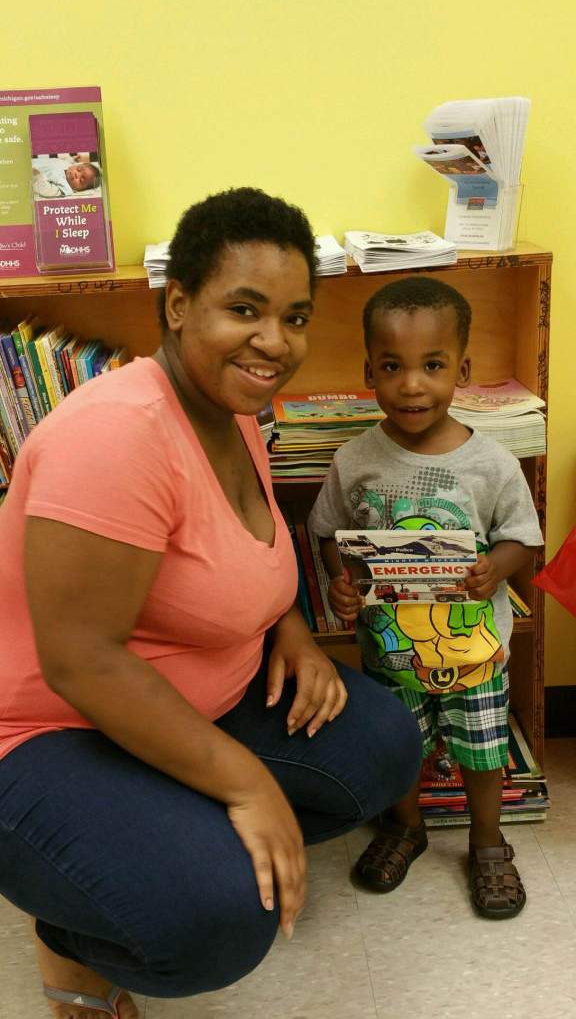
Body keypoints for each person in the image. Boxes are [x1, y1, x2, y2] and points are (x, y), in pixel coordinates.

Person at [0, 187, 421, 1019]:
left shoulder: (233, 411)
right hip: (49, 728)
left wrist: (293, 629)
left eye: (296, 316)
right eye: (245, 309)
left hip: (194, 697)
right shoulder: (114, 437)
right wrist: (245, 786)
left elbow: (244, 558)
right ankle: (72, 936)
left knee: (380, 749)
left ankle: (156, 825)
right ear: (180, 305)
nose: (276, 342)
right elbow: (80, 660)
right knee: (217, 920)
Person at [308, 276, 543, 920]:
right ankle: (405, 828)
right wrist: (339, 581)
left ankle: (487, 843)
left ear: (461, 370)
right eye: (392, 366)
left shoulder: (491, 463)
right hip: (391, 653)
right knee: (398, 748)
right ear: (369, 372)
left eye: (432, 365)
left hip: (476, 651)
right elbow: (328, 531)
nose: (412, 384)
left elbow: (523, 538)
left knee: (482, 747)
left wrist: (495, 568)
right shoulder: (356, 459)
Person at [32, 157, 101, 198]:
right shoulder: (67, 165)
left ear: (80, 190)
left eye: (81, 180)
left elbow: (46, 190)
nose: (77, 175)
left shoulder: (65, 187)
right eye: (79, 169)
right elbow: (67, 161)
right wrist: (73, 159)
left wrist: (38, 176)